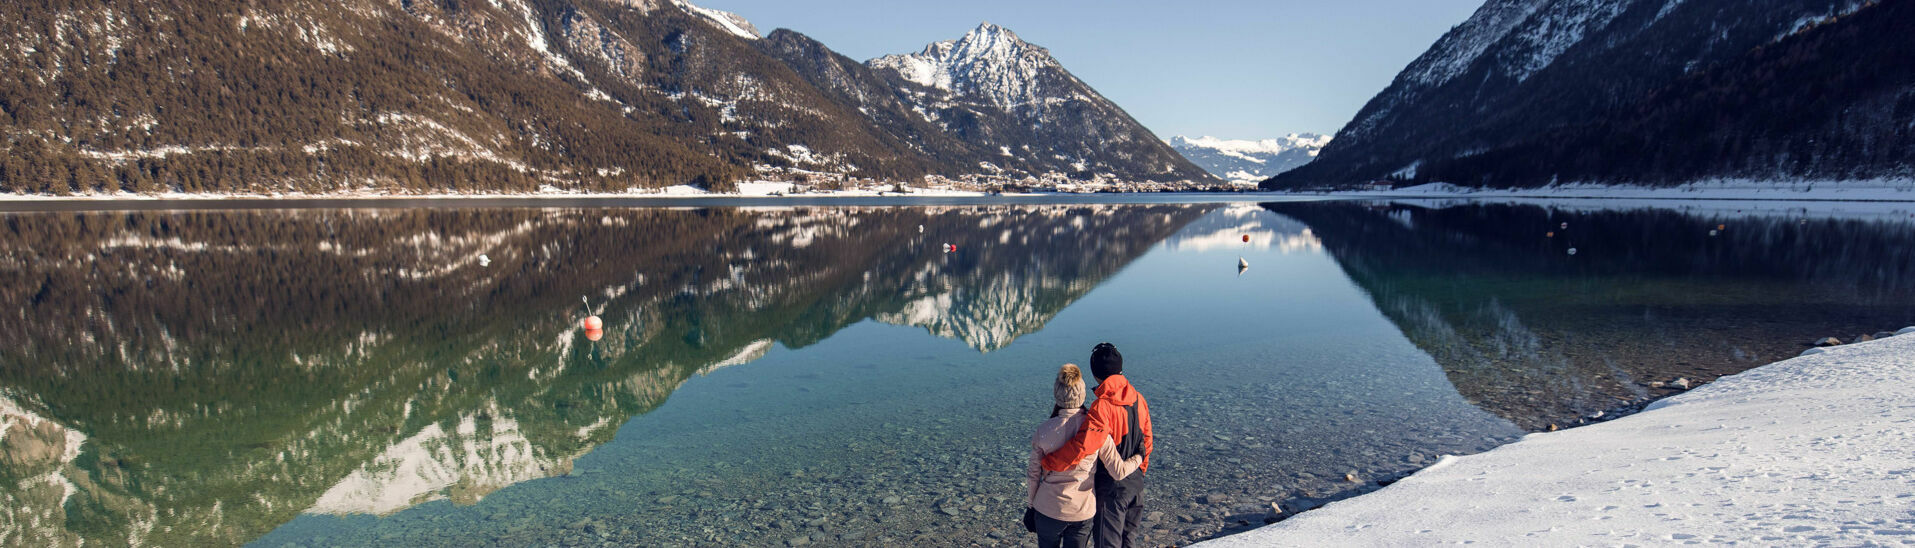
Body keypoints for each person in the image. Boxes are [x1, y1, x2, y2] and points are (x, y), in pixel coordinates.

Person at [1041, 342, 1153, 548]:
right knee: (1129, 541)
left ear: (1095, 374)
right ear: (1121, 368)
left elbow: (1083, 446)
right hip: (1136, 483)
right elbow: (1147, 440)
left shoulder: (1102, 406)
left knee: (1107, 543)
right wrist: (1140, 471)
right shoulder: (1138, 399)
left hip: (1111, 487)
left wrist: (1049, 462)